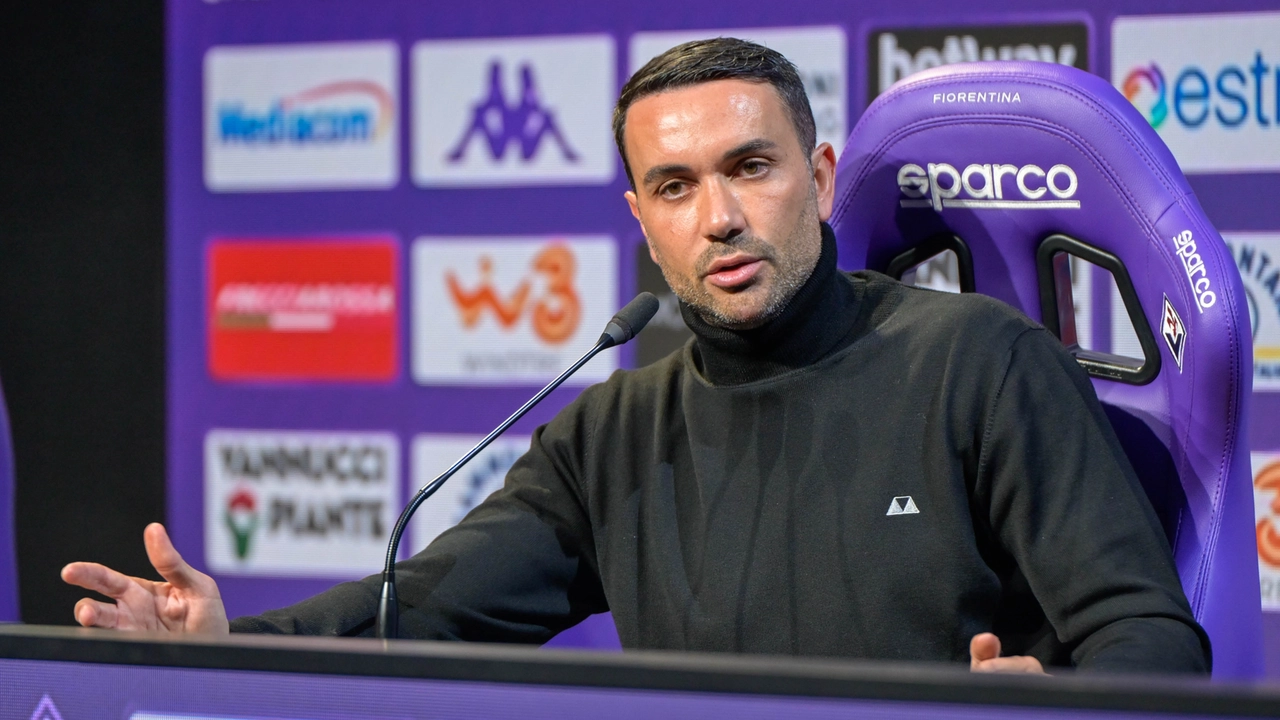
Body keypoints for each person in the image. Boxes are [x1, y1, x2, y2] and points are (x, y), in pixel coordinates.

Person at [62, 38, 1209, 674]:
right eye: (674, 186)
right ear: (641, 218)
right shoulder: (608, 432)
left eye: (748, 169)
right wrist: (231, 644)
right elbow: (420, 611)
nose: (716, 217)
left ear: (813, 180)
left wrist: (1055, 705)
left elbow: (1151, 637)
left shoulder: (980, 363)